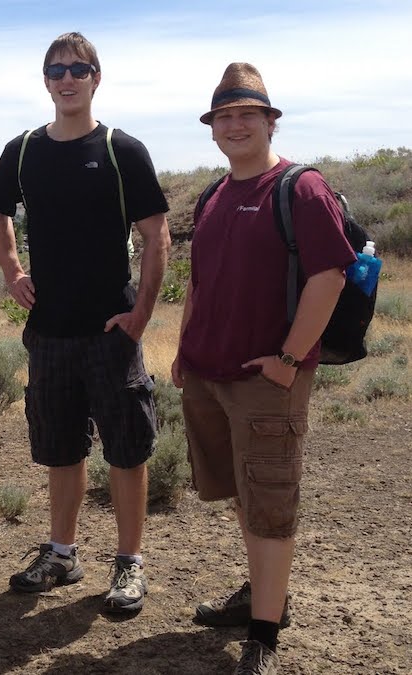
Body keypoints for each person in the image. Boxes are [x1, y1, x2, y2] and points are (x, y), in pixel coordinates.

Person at [171, 63, 355, 674]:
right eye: (225, 116)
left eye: (248, 114)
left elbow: (330, 275)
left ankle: (265, 633)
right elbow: (198, 281)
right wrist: (182, 351)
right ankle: (262, 596)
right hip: (208, 371)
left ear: (271, 121)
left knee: (270, 501)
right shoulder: (213, 194)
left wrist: (286, 360)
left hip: (265, 379)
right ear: (213, 129)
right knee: (244, 496)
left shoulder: (300, 189)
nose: (236, 124)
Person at [0, 32, 170, 613]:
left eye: (79, 69)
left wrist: (141, 312)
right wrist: (12, 270)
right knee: (62, 449)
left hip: (110, 330)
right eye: (56, 69)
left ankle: (129, 563)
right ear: (46, 81)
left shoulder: (123, 150)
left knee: (125, 448)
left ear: (96, 78)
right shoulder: (23, 150)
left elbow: (156, 236)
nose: (67, 79)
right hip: (49, 331)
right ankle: (61, 553)